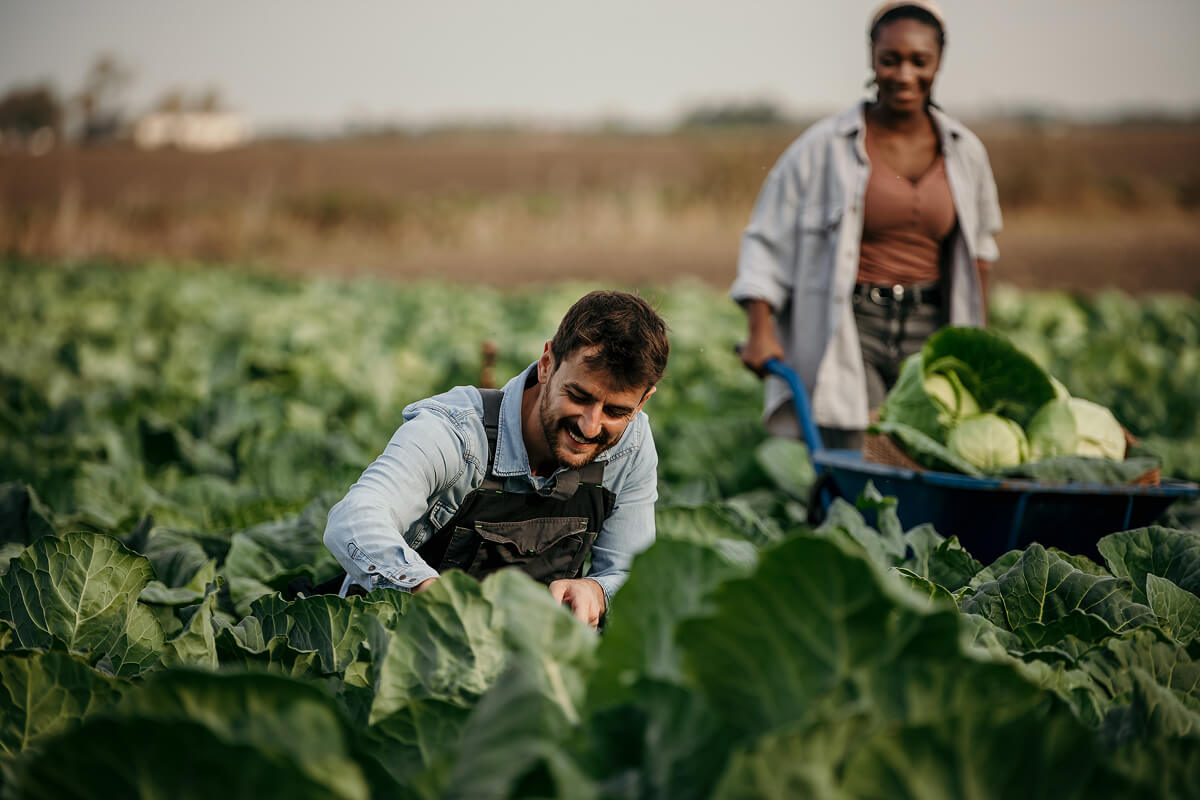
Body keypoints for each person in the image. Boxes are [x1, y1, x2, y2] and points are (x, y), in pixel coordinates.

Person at [731, 0, 1002, 450]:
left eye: (920, 61)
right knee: (862, 448)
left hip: (933, 325)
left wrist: (979, 338)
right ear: (872, 59)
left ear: (939, 62)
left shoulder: (965, 151)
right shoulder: (823, 148)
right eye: (890, 59)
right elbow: (765, 241)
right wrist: (761, 332)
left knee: (926, 451)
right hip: (854, 323)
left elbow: (980, 251)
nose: (904, 74)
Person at [322, 290, 669, 629]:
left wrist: (597, 591)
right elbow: (354, 520)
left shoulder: (631, 447)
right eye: (579, 396)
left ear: (642, 402)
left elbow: (631, 571)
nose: (590, 426)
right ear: (547, 364)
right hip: (402, 645)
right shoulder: (454, 434)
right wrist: (435, 597)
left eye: (615, 411)